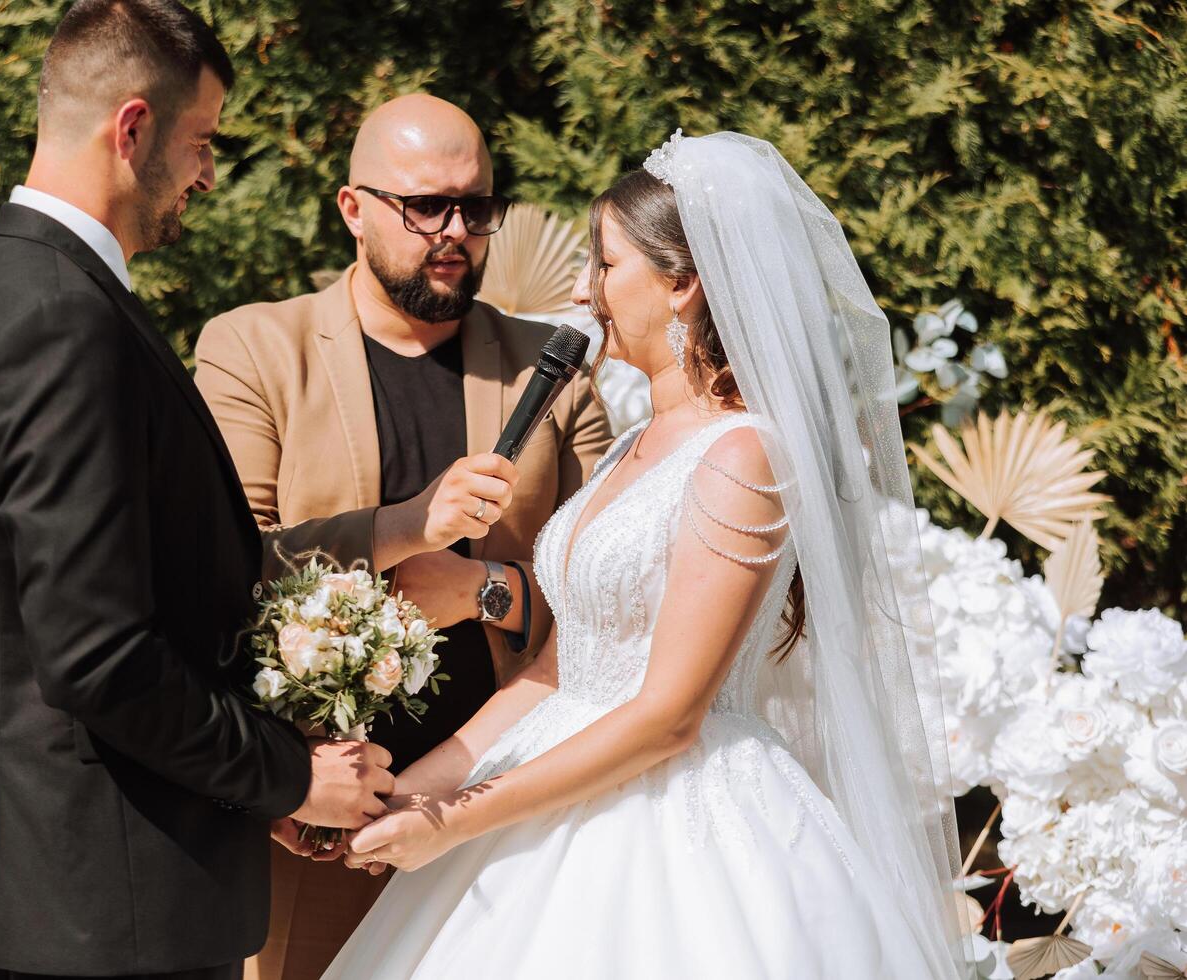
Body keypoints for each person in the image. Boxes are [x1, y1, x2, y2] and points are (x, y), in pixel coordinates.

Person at [325, 132, 968, 979]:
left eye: (605, 266)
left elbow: (669, 716)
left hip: (677, 824)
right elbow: (555, 674)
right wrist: (408, 792)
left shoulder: (744, 457)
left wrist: (455, 822)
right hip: (538, 786)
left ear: (683, 283)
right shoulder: (633, 444)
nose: (584, 292)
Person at [0, 3, 392, 977]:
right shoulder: (60, 318)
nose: (211, 173)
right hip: (101, 913)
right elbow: (97, 654)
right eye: (203, 141)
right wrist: (287, 775)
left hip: (67, 892)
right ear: (133, 130)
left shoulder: (3, 289)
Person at [193, 94, 613, 980]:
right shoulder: (253, 351)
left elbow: (619, 599)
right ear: (353, 208)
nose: (455, 230)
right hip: (317, 824)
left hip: (510, 827)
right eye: (426, 206)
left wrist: (487, 592)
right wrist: (403, 528)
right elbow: (221, 573)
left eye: (476, 207)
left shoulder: (559, 375)